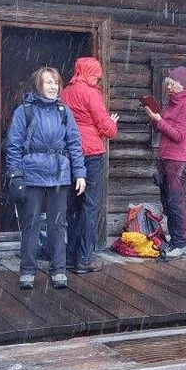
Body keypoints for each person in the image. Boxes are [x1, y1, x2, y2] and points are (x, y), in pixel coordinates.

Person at [5, 67, 87, 290]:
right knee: (30, 224)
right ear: (38, 85)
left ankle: (58, 269)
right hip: (32, 176)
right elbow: (13, 146)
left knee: (58, 225)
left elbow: (74, 144)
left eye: (56, 83)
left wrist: (79, 173)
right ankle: (28, 271)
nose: (53, 87)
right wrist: (16, 175)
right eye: (48, 82)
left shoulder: (64, 111)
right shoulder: (25, 111)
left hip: (60, 176)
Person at [61, 57, 118, 274]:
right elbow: (106, 128)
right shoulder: (90, 93)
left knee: (73, 207)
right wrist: (112, 124)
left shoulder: (65, 92)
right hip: (91, 153)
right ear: (88, 72)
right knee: (90, 206)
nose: (97, 78)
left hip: (71, 153)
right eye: (95, 74)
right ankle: (85, 258)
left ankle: (70, 256)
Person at [144, 66, 186, 259]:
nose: (168, 87)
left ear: (181, 85)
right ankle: (175, 242)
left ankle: (181, 244)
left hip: (179, 159)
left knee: (175, 203)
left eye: (171, 84)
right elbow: (163, 128)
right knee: (168, 202)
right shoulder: (172, 103)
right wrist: (154, 119)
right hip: (166, 158)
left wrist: (159, 121)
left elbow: (178, 135)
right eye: (168, 83)